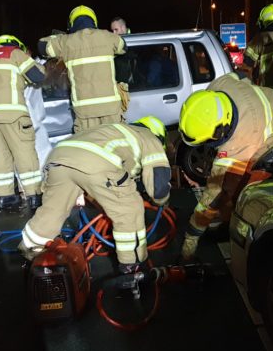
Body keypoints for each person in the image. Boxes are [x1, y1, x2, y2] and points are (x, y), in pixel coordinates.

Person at [19, 117, 171, 273]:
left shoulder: (117, 130)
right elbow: (158, 183)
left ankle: (30, 249)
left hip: (58, 157)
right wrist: (161, 201)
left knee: (52, 211)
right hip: (94, 162)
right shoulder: (150, 138)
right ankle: (132, 265)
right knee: (129, 209)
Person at [178, 73, 273, 260]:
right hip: (270, 114)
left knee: (246, 191)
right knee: (232, 187)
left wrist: (192, 236)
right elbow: (237, 75)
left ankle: (250, 241)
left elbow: (213, 193)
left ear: (222, 130)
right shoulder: (218, 86)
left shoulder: (241, 138)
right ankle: (228, 225)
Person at [0, 34, 46, 211]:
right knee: (25, 155)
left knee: (0, 158)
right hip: (13, 115)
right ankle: (34, 196)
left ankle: (4, 198)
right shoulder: (14, 53)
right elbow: (37, 76)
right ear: (15, 44)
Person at [38, 6, 127, 133]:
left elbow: (42, 46)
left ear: (72, 23)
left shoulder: (66, 42)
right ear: (94, 21)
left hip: (85, 113)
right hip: (111, 110)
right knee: (115, 146)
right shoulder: (107, 37)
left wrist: (62, 37)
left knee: (89, 149)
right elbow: (124, 47)